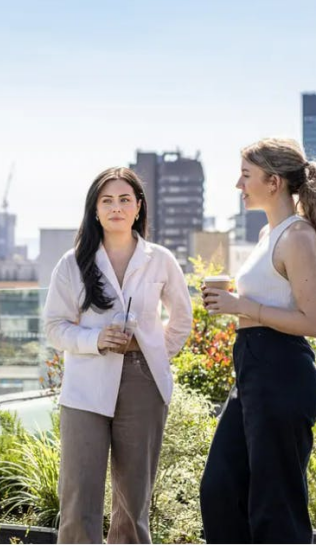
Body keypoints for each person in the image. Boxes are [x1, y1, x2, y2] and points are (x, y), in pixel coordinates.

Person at [43, 166, 192, 543]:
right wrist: (96, 339)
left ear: (139, 207)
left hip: (143, 383)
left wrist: (153, 350)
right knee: (78, 503)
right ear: (95, 210)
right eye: (106, 200)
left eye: (125, 199)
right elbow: (54, 327)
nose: (116, 208)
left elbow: (182, 319)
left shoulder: (160, 260)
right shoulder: (72, 263)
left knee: (132, 506)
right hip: (85, 388)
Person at [199, 138, 316, 543]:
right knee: (221, 488)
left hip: (282, 372)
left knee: (275, 507)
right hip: (253, 370)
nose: (239, 185)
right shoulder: (267, 234)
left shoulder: (297, 236)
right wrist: (235, 307)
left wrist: (244, 306)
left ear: (273, 182)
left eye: (245, 176)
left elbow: (315, 321)